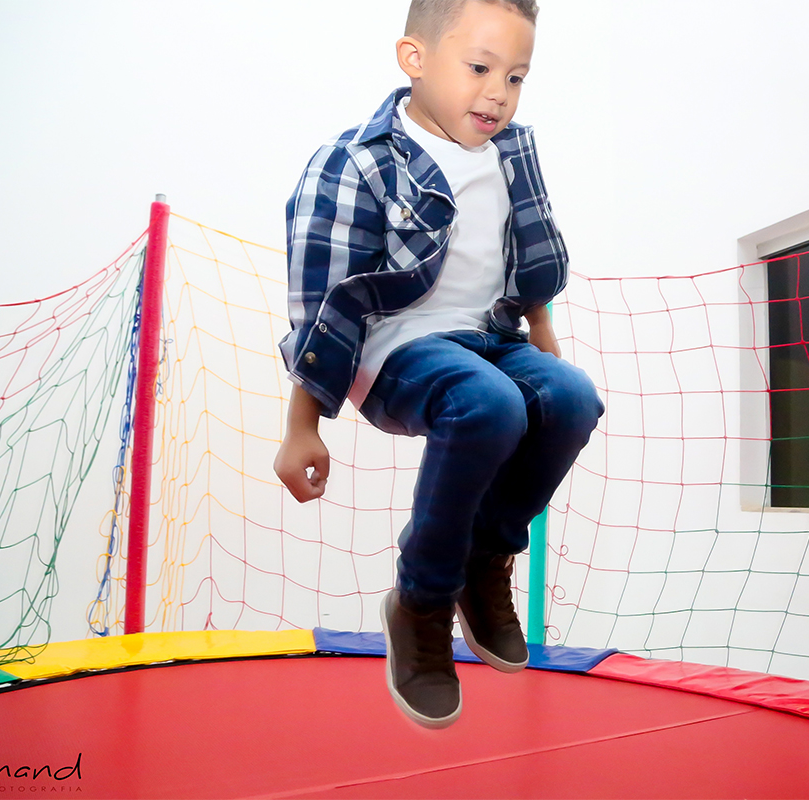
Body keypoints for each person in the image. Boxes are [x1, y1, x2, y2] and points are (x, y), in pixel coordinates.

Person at [274, 0, 603, 729]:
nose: (498, 94)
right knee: (491, 405)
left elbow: (531, 252)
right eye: (480, 68)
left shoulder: (511, 155)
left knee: (573, 399)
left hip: (490, 336)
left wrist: (542, 331)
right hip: (395, 348)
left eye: (515, 77)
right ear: (414, 59)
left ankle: (484, 561)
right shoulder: (357, 161)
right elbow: (323, 300)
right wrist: (302, 425)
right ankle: (421, 600)